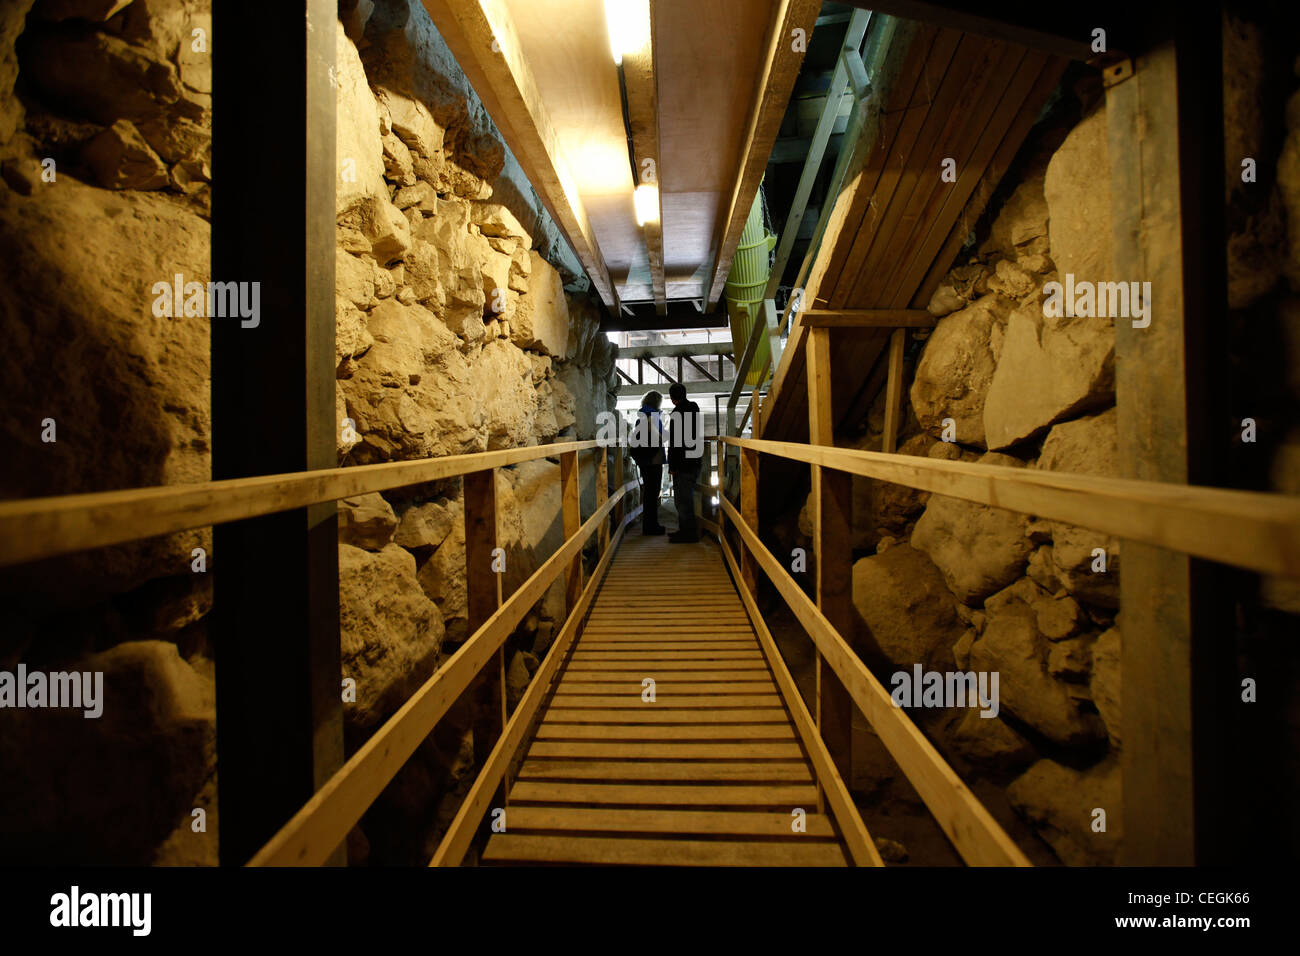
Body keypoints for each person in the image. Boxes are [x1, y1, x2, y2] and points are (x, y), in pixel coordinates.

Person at [666, 382, 703, 543]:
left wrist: (672, 466)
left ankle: (688, 533)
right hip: (695, 460)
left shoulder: (677, 414)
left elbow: (675, 443)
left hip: (682, 464)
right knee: (687, 498)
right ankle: (686, 531)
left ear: (672, 398)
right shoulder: (694, 410)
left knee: (682, 500)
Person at [629, 391, 667, 535]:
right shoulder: (652, 416)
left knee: (648, 493)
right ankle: (651, 526)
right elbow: (657, 438)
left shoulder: (642, 415)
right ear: (657, 402)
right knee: (653, 493)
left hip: (645, 460)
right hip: (653, 459)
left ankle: (649, 525)